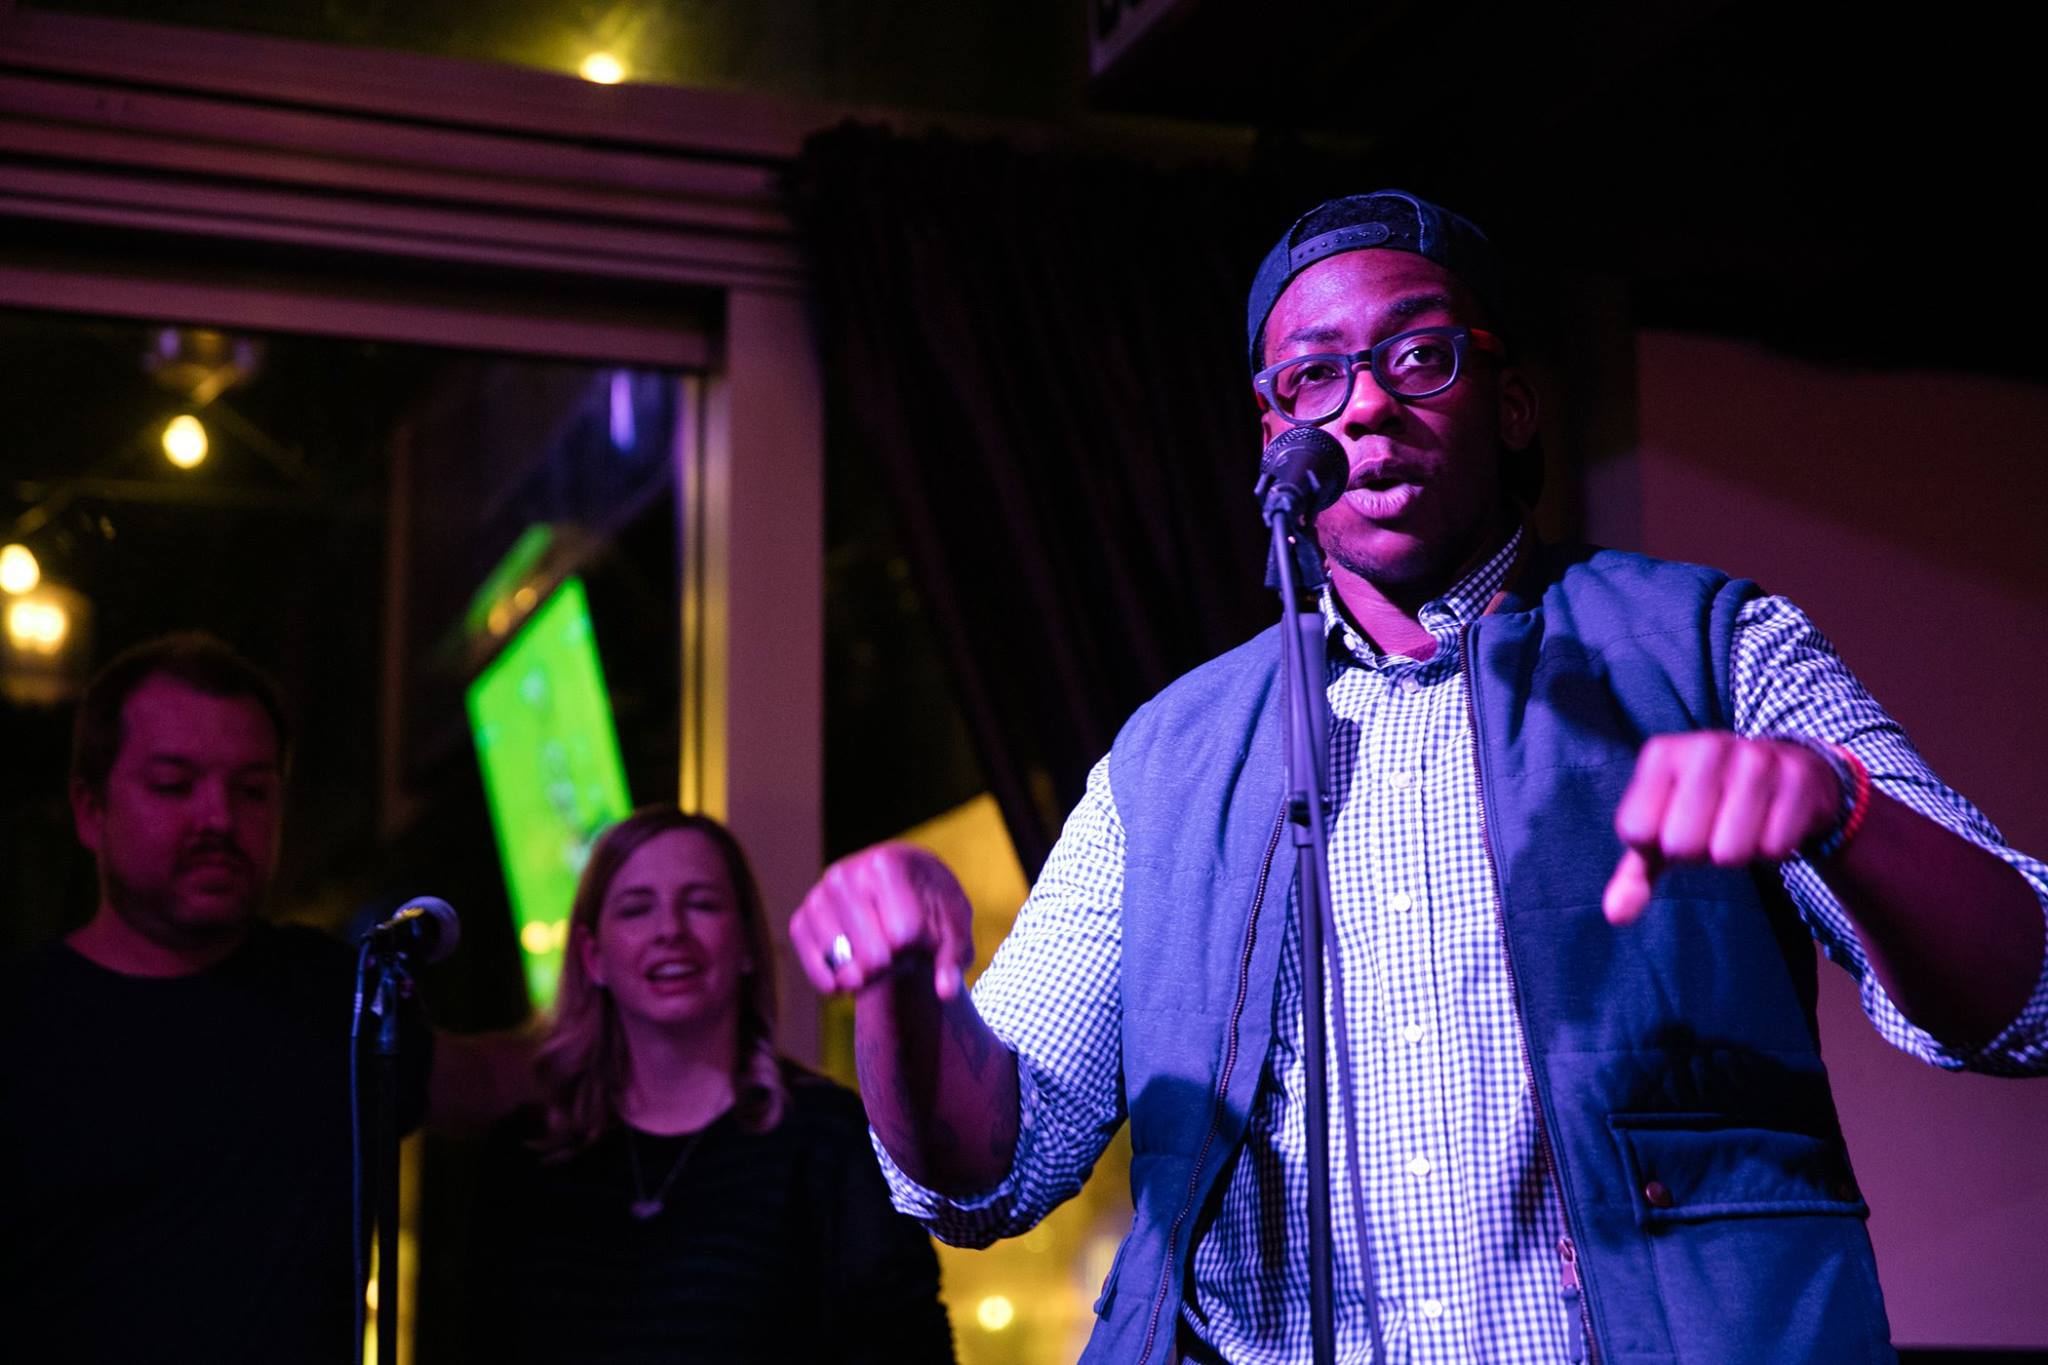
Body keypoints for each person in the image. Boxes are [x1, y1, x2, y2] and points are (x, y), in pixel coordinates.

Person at [787, 190, 2048, 1364]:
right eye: (1312, 376)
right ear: (1273, 434)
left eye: (1419, 356)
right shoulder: (1164, 760)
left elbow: (2027, 1000)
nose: (1366, 406)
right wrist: (901, 991)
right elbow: (983, 1172)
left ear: (1511, 404)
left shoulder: (1711, 648)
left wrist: (1840, 807)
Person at [0, 632, 441, 1362]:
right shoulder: (19, 1028)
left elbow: (505, 1079)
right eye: (174, 784)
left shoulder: (337, 997)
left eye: (253, 790)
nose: (219, 818)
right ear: (89, 809)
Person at [465, 805, 955, 1364]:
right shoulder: (526, 1154)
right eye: (637, 908)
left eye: (701, 904)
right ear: (592, 957)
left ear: (746, 945)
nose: (670, 931)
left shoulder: (830, 1140)